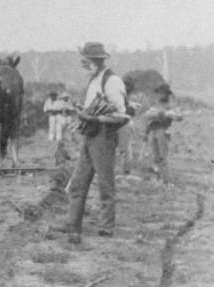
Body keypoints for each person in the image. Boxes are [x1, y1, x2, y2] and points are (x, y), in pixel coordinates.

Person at [58, 42, 129, 244]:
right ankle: (73, 224)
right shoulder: (94, 80)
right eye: (84, 61)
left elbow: (122, 116)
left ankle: (106, 227)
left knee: (105, 183)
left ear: (97, 61)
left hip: (104, 137)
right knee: (78, 183)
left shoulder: (112, 81)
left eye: (87, 61)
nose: (84, 65)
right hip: (90, 136)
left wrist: (95, 119)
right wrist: (84, 113)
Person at [143, 83, 183, 182]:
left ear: (167, 94)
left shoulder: (170, 106)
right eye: (159, 93)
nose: (161, 95)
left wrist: (165, 115)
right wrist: (146, 133)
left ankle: (165, 179)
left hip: (162, 130)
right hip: (153, 130)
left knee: (162, 156)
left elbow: (179, 116)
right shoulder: (155, 105)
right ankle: (160, 177)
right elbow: (149, 120)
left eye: (163, 93)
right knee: (156, 156)